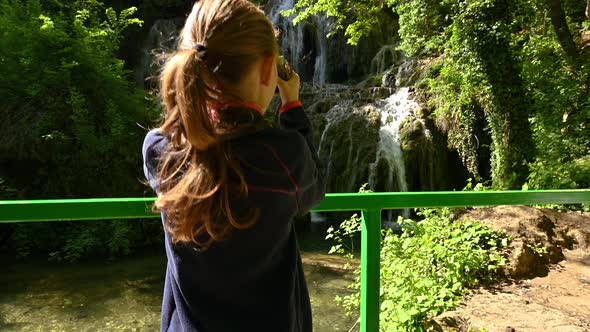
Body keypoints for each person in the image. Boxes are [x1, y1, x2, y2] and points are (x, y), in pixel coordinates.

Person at [142, 0, 326, 331]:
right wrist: (292, 106)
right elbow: (315, 188)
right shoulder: (284, 158)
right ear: (269, 68)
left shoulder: (161, 150)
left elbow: (190, 135)